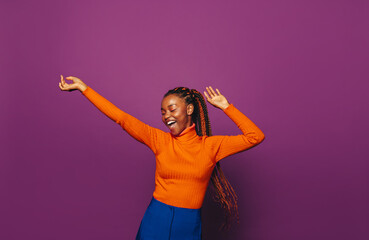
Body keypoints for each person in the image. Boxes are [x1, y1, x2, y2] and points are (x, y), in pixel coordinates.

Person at [59, 75, 265, 240]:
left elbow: (256, 136)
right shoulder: (159, 140)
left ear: (190, 109)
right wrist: (84, 89)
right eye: (163, 112)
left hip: (189, 223)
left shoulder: (212, 146)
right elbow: (121, 118)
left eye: (172, 109)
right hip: (156, 218)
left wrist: (226, 107)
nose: (167, 116)